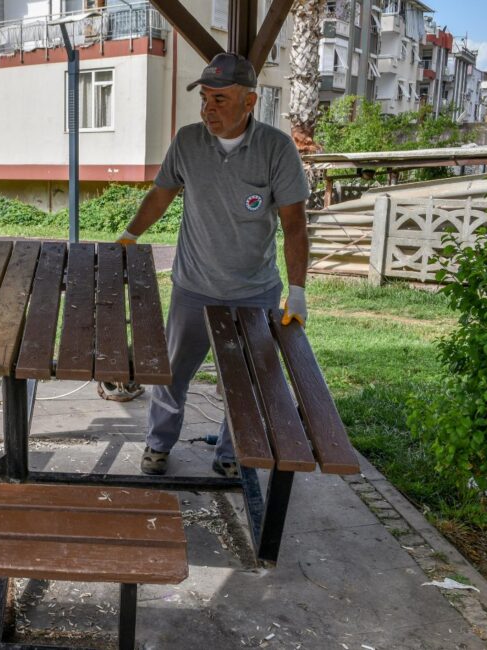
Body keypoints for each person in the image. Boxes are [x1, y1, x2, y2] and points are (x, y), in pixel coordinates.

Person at [116, 52, 310, 478]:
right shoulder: (188, 141)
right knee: (171, 374)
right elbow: (161, 195)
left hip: (253, 291)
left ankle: (230, 454)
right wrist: (130, 235)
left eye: (220, 99)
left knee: (244, 382)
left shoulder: (276, 150)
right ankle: (157, 445)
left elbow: (295, 225)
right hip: (193, 286)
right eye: (204, 98)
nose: (208, 109)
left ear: (250, 101)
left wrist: (297, 291)